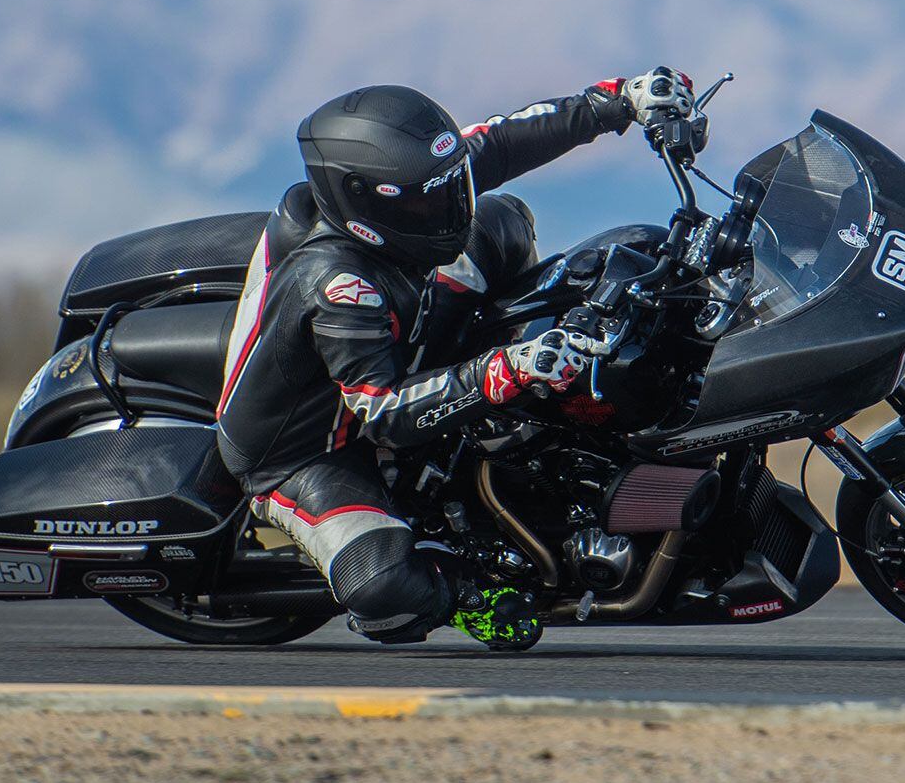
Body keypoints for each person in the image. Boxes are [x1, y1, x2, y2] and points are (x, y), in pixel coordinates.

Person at [213, 68, 695, 649]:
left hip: (398, 345)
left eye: (451, 185)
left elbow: (502, 140)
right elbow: (384, 414)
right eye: (428, 203)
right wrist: (504, 370)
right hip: (309, 450)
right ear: (363, 203)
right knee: (385, 580)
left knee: (501, 219)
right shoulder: (337, 283)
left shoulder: (415, 183)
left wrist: (617, 101)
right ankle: (463, 594)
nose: (449, 208)